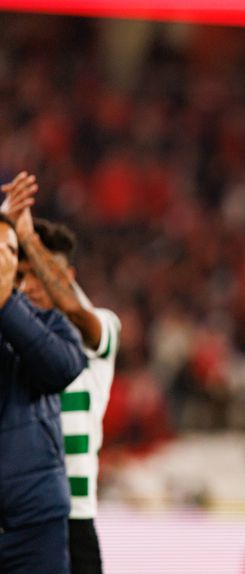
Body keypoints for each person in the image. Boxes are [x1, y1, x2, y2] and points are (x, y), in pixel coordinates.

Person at [2, 171, 120, 574]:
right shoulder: (14, 330)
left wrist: (27, 238)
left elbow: (70, 309)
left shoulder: (98, 327)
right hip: (25, 510)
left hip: (73, 516)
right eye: (23, 275)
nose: (30, 286)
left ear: (66, 277)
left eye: (40, 273)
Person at [0, 178, 87, 573]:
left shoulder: (46, 321)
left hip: (35, 519)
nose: (2, 257)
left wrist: (7, 307)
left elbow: (62, 369)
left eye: (10, 250)